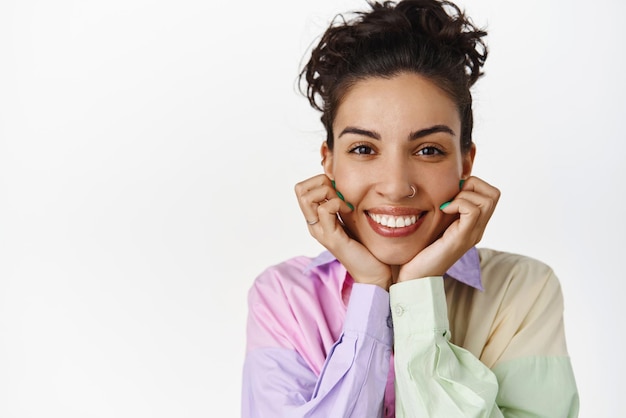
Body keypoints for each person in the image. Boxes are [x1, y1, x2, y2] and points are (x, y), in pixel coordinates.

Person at [241, 0, 579, 416]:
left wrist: (417, 291)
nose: (397, 187)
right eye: (364, 148)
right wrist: (371, 289)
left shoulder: (522, 289)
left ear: (465, 163)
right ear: (328, 162)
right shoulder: (284, 296)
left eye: (429, 150)